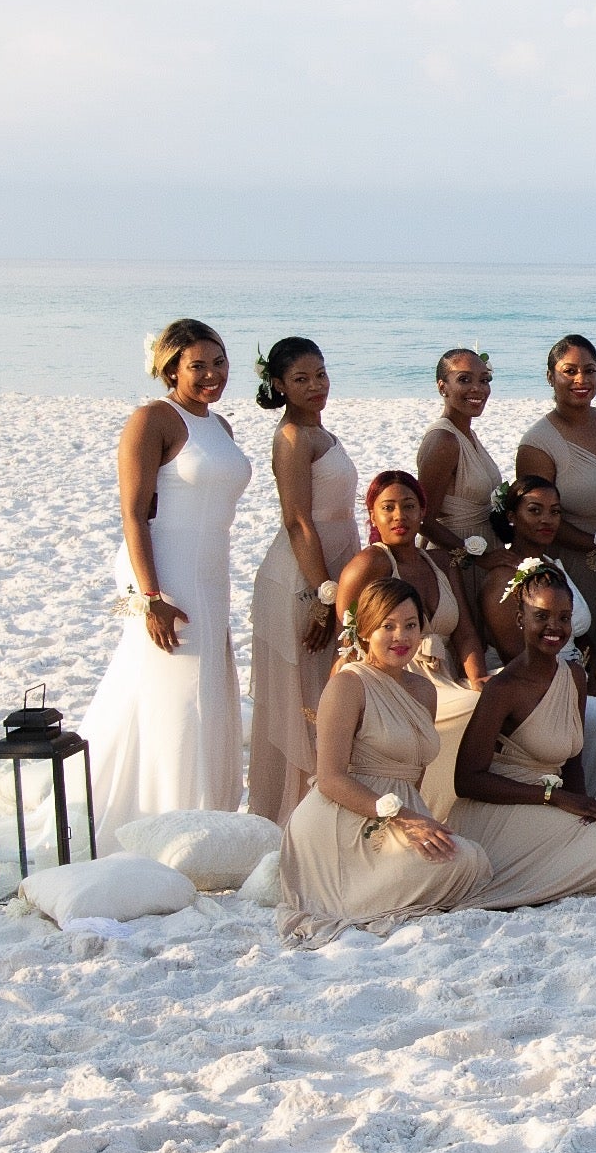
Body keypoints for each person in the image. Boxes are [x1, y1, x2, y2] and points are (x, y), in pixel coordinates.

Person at [85, 319, 253, 852]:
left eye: (219, 362)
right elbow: (133, 516)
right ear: (171, 368)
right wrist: (151, 598)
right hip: (170, 573)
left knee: (207, 688)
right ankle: (168, 819)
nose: (211, 375)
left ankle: (206, 816)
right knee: (176, 693)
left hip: (213, 571)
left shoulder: (220, 426)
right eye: (197, 365)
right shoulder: (152, 419)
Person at [277, 579, 490, 947]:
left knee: (471, 860)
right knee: (456, 864)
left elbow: (416, 771)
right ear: (365, 630)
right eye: (387, 626)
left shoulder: (424, 690)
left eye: (410, 625)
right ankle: (351, 891)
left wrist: (420, 818)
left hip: (403, 811)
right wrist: (402, 819)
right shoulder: (349, 684)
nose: (400, 636)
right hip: (344, 818)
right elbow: (329, 778)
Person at [447, 563, 596, 906]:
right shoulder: (504, 687)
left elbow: (572, 762)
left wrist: (581, 807)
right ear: (520, 619)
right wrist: (553, 799)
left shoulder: (574, 676)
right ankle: (516, 878)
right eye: (541, 616)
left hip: (547, 805)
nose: (554, 627)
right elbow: (466, 780)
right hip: (500, 810)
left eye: (564, 617)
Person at [246, 337, 362, 823]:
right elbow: (297, 520)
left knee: (330, 698)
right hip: (303, 578)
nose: (316, 386)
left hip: (334, 568)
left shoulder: (320, 430)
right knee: (309, 702)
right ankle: (298, 818)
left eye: (321, 374)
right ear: (278, 385)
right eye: (301, 379)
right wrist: (324, 594)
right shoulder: (292, 437)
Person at [336, 470, 488, 815]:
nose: (399, 516)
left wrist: (477, 678)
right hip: (393, 681)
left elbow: (464, 632)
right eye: (387, 507)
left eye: (408, 506)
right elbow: (347, 642)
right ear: (372, 514)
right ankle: (438, 811)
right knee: (473, 712)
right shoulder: (369, 564)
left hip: (444, 678)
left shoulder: (439, 562)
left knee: (491, 700)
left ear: (423, 512)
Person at [476, 476, 596, 787]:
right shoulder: (503, 577)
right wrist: (577, 684)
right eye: (535, 510)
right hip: (535, 683)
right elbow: (517, 655)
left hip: (573, 673)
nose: (547, 520)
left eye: (555, 511)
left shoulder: (551, 565)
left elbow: (578, 632)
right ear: (512, 517)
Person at [516, 332, 596, 634]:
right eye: (569, 371)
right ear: (550, 376)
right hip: (581, 564)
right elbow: (536, 521)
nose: (581, 379)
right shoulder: (539, 443)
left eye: (590, 370)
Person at [414, 348, 501, 560]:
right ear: (442, 387)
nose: (477, 389)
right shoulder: (444, 441)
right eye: (464, 379)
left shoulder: (468, 434)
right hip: (455, 558)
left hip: (483, 548)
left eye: (484, 380)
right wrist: (480, 559)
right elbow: (423, 520)